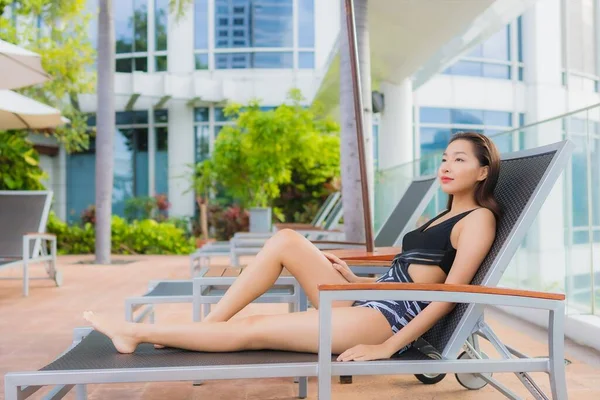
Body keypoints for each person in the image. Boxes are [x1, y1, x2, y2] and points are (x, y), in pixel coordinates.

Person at [84, 131, 501, 362]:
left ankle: (133, 331)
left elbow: (450, 293)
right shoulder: (439, 215)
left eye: (460, 160)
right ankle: (208, 326)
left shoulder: (478, 219)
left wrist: (387, 346)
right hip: (367, 299)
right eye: (445, 157)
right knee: (286, 240)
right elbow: (407, 270)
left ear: (483, 171)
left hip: (384, 321)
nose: (446, 166)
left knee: (253, 329)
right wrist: (354, 279)